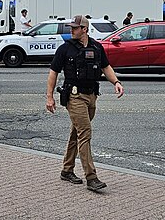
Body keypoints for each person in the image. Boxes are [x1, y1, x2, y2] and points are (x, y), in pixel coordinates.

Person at [45, 15, 124, 191]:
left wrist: (116, 82)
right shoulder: (65, 49)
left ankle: (66, 170)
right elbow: (53, 72)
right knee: (85, 133)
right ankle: (91, 177)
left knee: (77, 132)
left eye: (75, 27)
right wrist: (49, 97)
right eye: (71, 27)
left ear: (84, 29)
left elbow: (105, 67)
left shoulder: (97, 47)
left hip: (91, 96)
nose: (71, 30)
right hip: (74, 96)